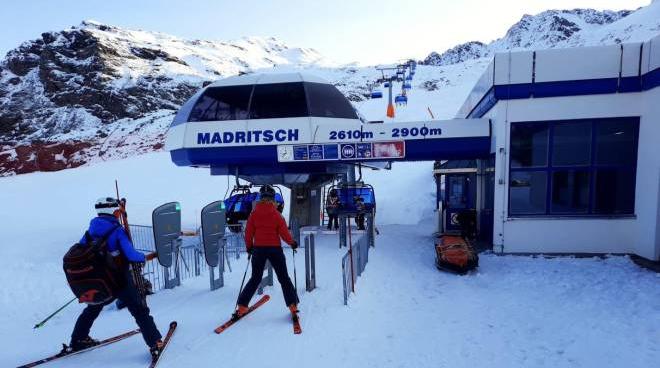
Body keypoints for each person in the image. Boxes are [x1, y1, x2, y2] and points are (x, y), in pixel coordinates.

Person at [69, 197, 163, 360]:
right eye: (117, 211)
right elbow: (131, 255)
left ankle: (78, 339)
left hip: (100, 280)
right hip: (119, 279)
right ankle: (155, 342)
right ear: (112, 211)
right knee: (139, 310)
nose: (119, 213)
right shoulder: (116, 231)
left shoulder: (90, 231)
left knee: (93, 308)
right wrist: (143, 257)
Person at [236, 185, 299, 318]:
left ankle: (241, 307)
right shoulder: (277, 215)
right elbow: (284, 234)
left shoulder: (253, 214)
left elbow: (248, 233)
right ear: (272, 199)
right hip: (275, 249)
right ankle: (292, 306)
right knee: (284, 278)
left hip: (258, 249)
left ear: (260, 198)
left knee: (255, 278)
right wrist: (292, 243)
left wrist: (249, 247)